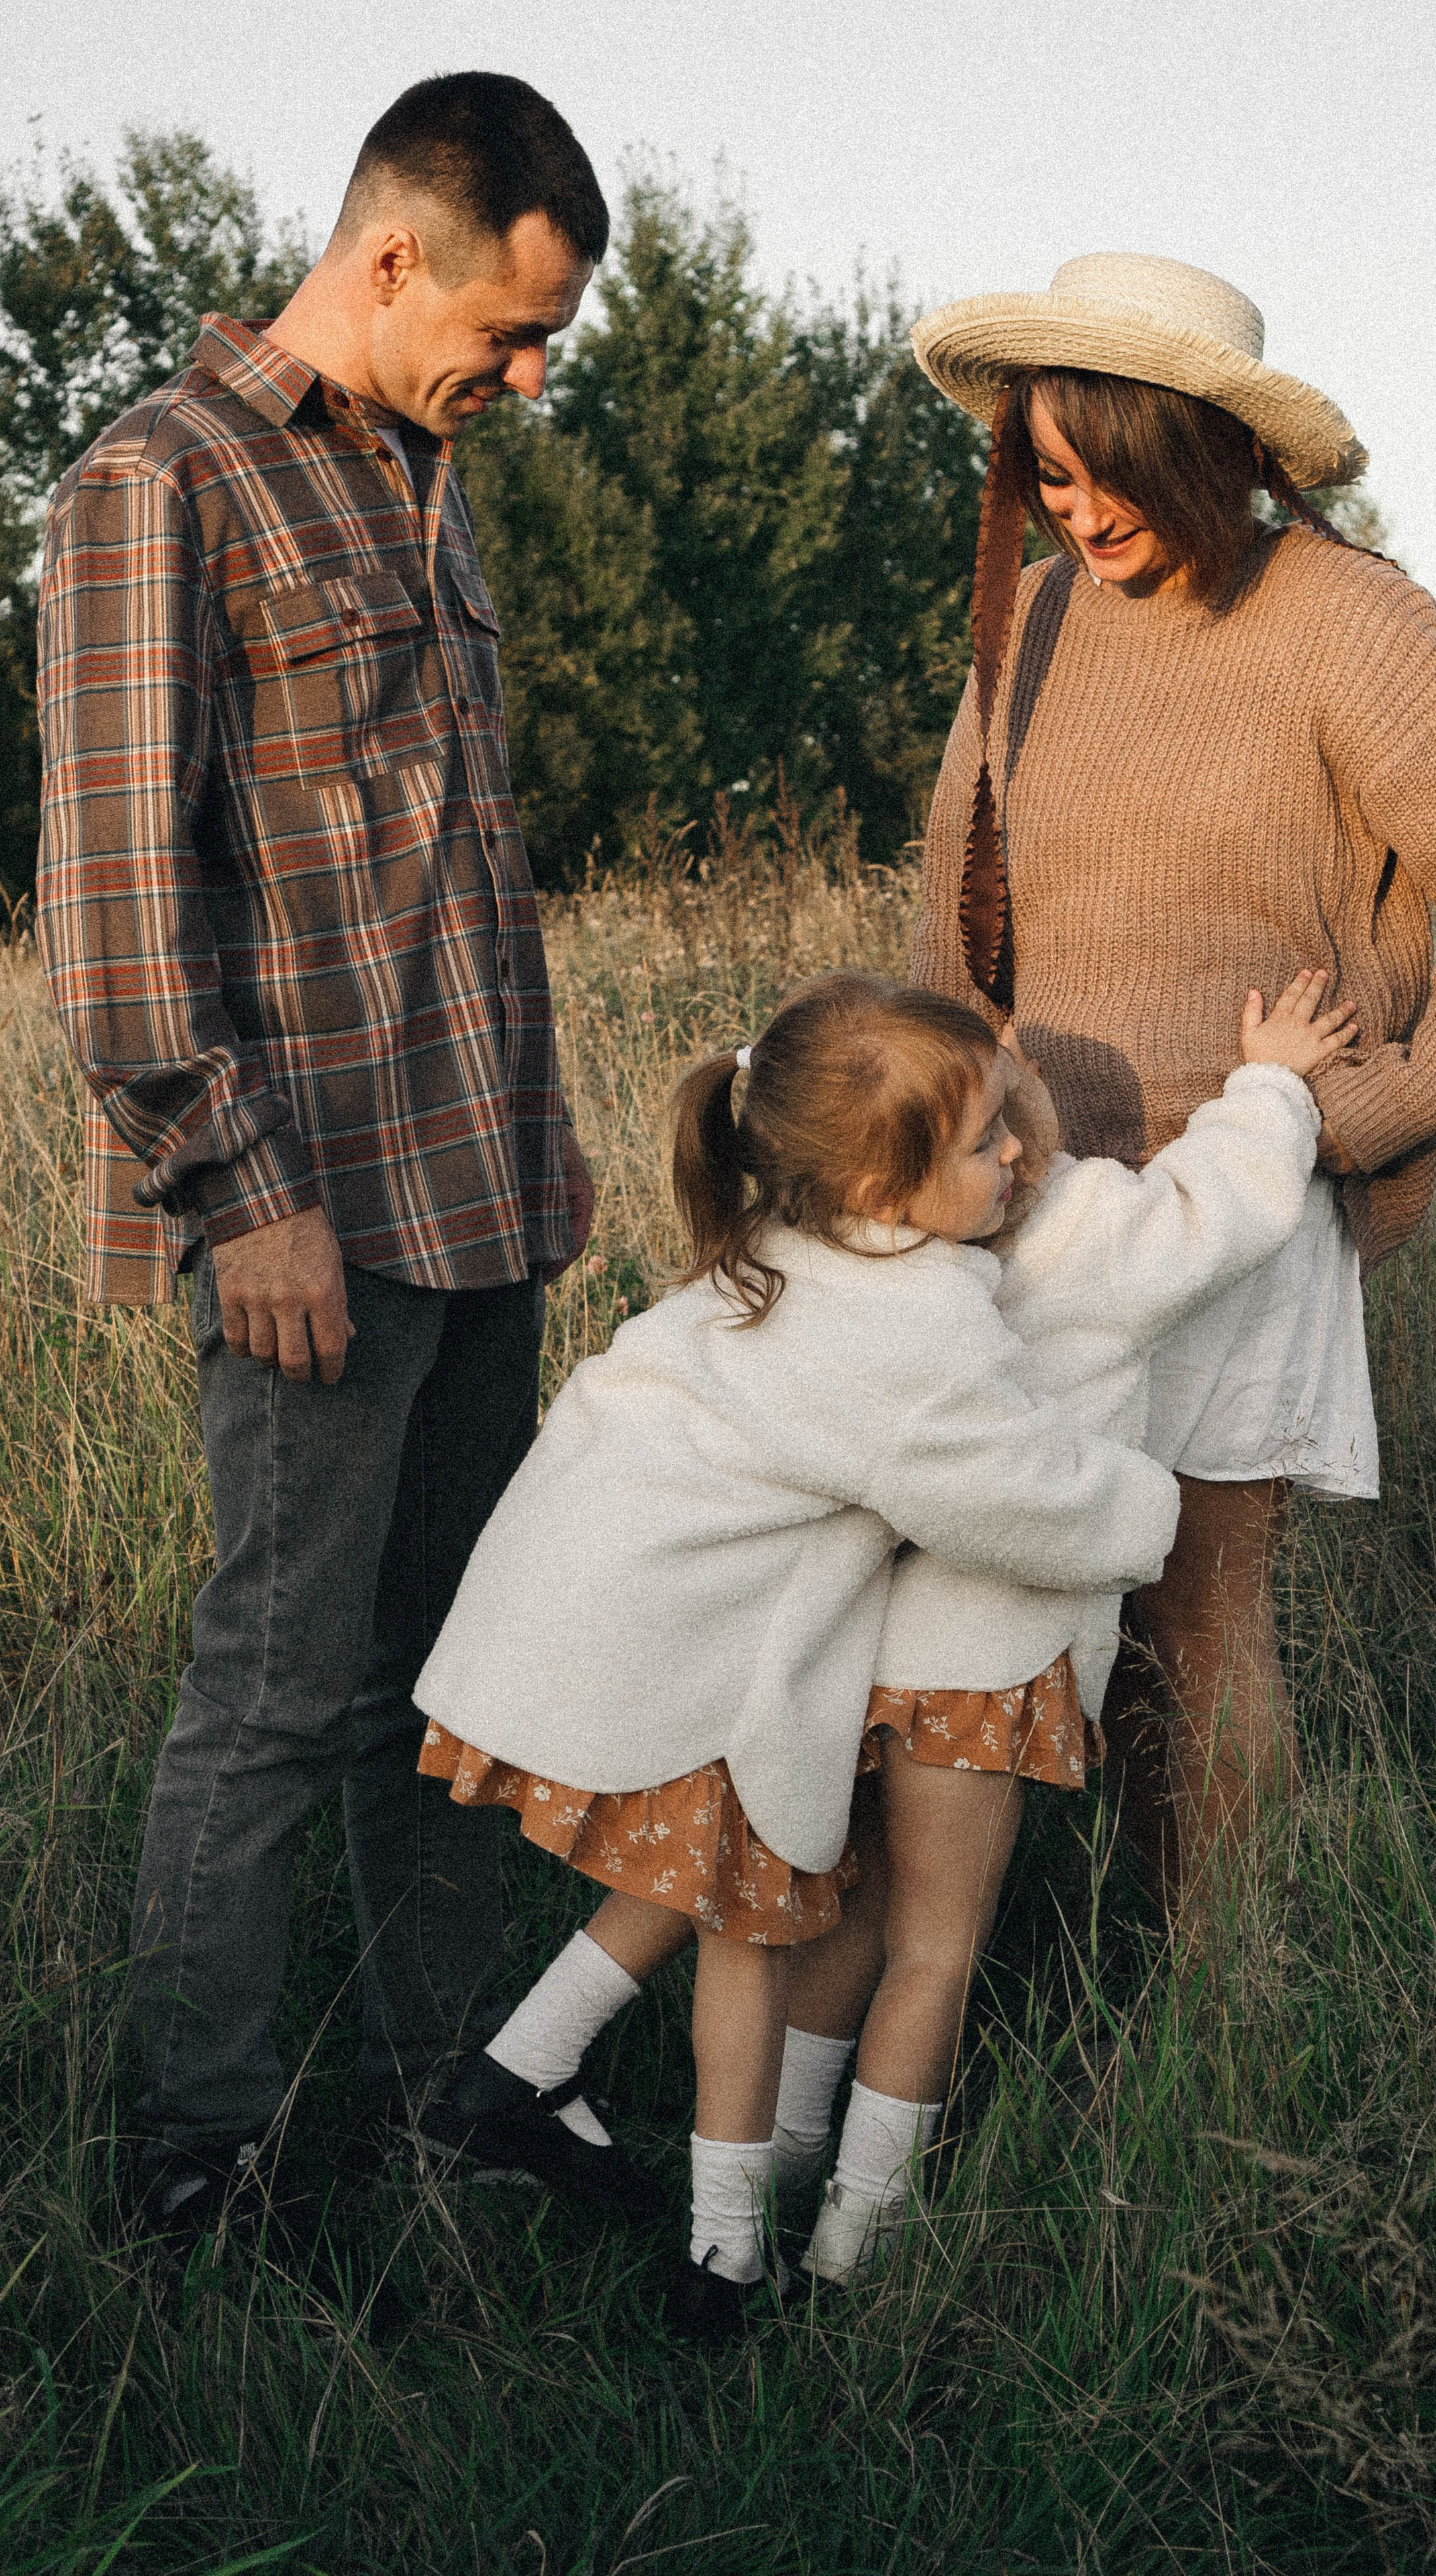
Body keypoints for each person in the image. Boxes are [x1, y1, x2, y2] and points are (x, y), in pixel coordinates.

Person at [34, 72, 609, 2266]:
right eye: (515, 326)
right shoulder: (151, 489)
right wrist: (229, 1183)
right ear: (390, 258)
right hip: (309, 1224)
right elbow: (112, 898)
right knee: (278, 1695)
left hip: (483, 1204)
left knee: (446, 1686)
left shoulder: (428, 487)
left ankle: (431, 2088)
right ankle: (197, 2156)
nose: (532, 376)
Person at [904, 254, 1436, 1919]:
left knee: (1196, 1614)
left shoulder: (1341, 615)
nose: (1077, 511)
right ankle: (1062, 1963)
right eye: (1045, 475)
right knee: (1036, 1602)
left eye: (1108, 471)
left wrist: (1383, 1107)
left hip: (1246, 1192)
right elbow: (952, 907)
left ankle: (1224, 2020)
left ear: (1197, 445)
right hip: (1040, 1206)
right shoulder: (1033, 618)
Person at [411, 971, 1184, 2341]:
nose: (1015, 1157)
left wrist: (991, 1087)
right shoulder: (908, 1327)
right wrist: (1149, 1510)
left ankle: (519, 2073)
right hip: (674, 1638)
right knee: (754, 1919)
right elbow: (1008, 1497)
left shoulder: (793, 1228)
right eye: (981, 1142)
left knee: (704, 1881)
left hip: (586, 1595)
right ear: (886, 1183)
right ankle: (722, 2264)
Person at [776, 972, 1356, 2282]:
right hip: (988, 1672)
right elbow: (1225, 1207)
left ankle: (770, 2164)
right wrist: (1266, 1077)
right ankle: (856, 2244)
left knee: (851, 1914)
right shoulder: (1087, 1226)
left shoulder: (864, 1239)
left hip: (857, 1652)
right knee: (935, 1949)